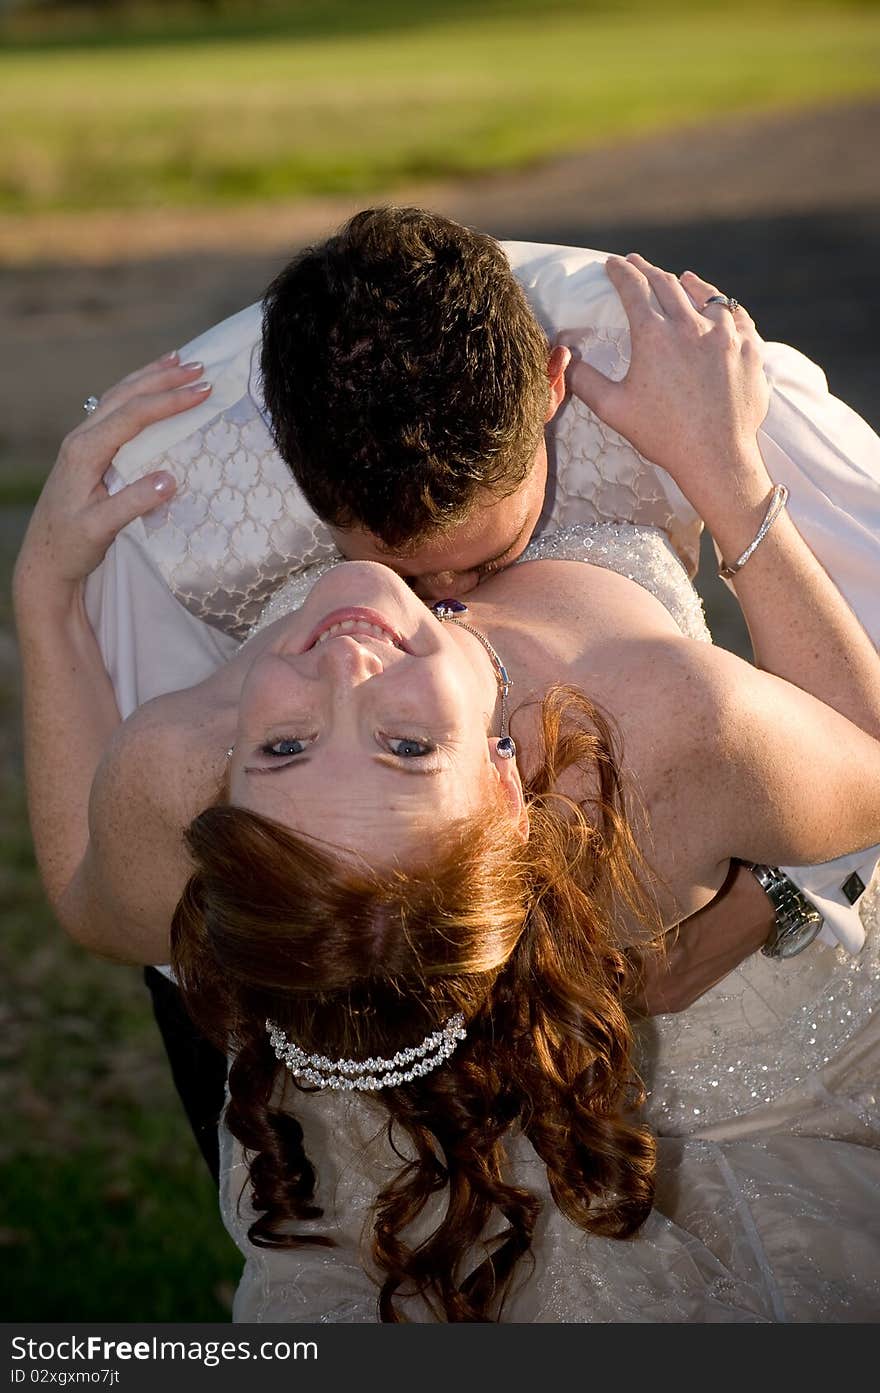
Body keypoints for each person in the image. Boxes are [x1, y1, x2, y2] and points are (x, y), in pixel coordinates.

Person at [15, 254, 880, 1320]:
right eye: (407, 746)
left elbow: (91, 901)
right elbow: (869, 762)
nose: (341, 665)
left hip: (406, 1126)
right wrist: (728, 474)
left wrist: (45, 593)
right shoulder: (666, 728)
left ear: (230, 797)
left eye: (282, 745)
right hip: (743, 1085)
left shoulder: (182, 766)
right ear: (509, 776)